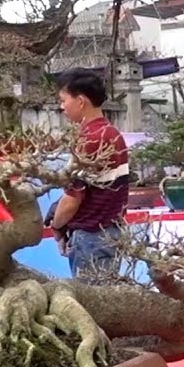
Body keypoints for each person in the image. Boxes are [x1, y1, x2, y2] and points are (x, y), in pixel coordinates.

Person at [48, 68, 130, 282]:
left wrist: (56, 226)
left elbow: (72, 199)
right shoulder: (113, 134)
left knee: (93, 306)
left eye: (64, 100)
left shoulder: (90, 139)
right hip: (112, 231)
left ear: (81, 101)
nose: (62, 106)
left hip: (90, 238)